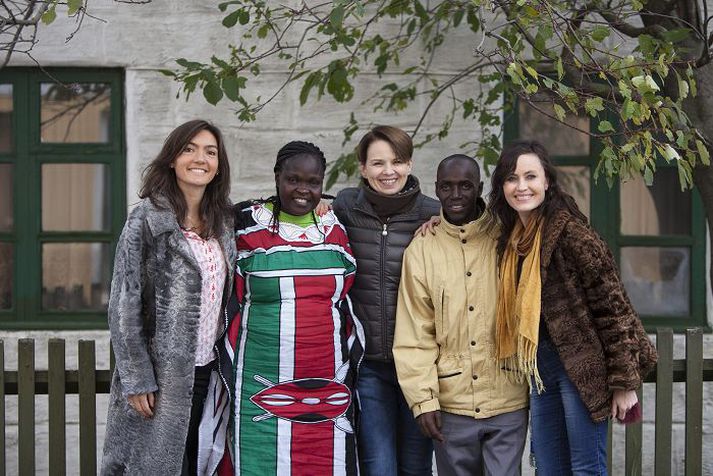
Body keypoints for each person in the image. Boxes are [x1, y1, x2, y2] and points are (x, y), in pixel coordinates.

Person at [488, 140, 657, 475]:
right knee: (550, 467)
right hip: (539, 366)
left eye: (530, 176)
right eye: (511, 178)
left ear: (547, 182)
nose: (521, 186)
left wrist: (624, 383)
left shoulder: (572, 234)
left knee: (585, 467)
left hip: (580, 364)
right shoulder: (511, 241)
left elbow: (614, 310)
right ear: (502, 187)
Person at [102, 119, 236, 475]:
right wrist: (137, 378)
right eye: (189, 149)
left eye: (210, 152)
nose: (200, 158)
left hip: (210, 372)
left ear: (218, 164)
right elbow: (123, 305)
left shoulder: (224, 222)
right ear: (173, 159)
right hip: (161, 380)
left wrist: (323, 208)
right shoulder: (146, 220)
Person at [224, 141, 365, 475]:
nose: (303, 189)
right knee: (259, 464)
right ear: (277, 177)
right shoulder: (243, 225)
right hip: (259, 378)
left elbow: (347, 295)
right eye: (293, 179)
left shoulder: (337, 229)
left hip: (327, 380)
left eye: (313, 182)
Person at [393, 155, 528, 476]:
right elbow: (415, 334)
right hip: (450, 406)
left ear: (480, 188)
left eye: (465, 186)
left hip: (507, 397)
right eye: (447, 187)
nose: (456, 195)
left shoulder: (508, 238)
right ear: (436, 189)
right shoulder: (422, 250)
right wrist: (423, 400)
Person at [332, 125, 440, 475]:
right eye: (378, 163)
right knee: (378, 467)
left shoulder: (433, 214)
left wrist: (449, 222)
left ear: (409, 164)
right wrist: (320, 204)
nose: (388, 171)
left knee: (416, 466)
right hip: (370, 367)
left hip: (419, 369)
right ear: (362, 168)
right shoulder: (346, 207)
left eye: (397, 161)